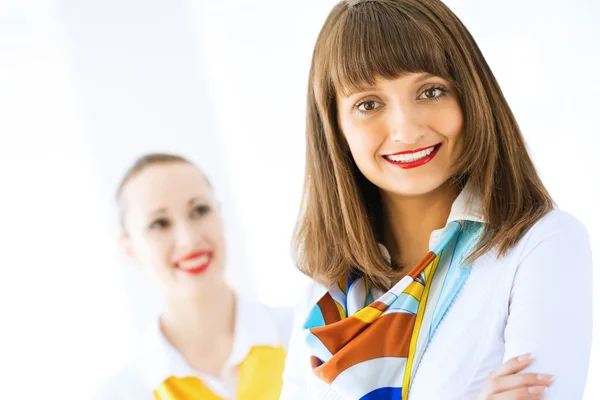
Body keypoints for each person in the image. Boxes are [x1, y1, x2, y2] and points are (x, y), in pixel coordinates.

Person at [280, 1, 593, 399]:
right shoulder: (325, 298)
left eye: (431, 91)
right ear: (335, 127)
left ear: (471, 96)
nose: (406, 131)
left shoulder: (541, 246)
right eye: (368, 104)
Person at [95, 153, 292, 400]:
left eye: (200, 210)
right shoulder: (121, 393)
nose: (189, 240)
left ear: (220, 215)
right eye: (159, 224)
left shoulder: (305, 336)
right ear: (129, 248)